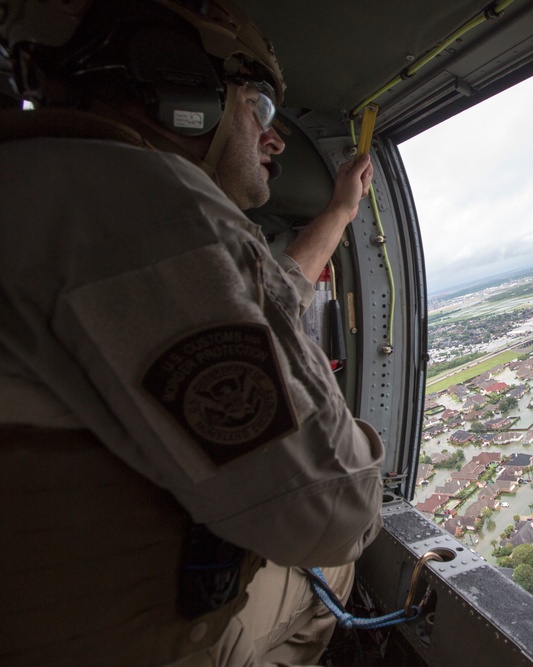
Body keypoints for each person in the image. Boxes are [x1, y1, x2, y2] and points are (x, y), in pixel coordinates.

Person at [0, 1, 383, 665]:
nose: (276, 138)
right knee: (333, 577)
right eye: (258, 106)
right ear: (179, 86)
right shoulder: (140, 202)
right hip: (114, 639)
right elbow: (334, 509)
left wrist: (340, 214)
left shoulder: (43, 188)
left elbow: (265, 292)